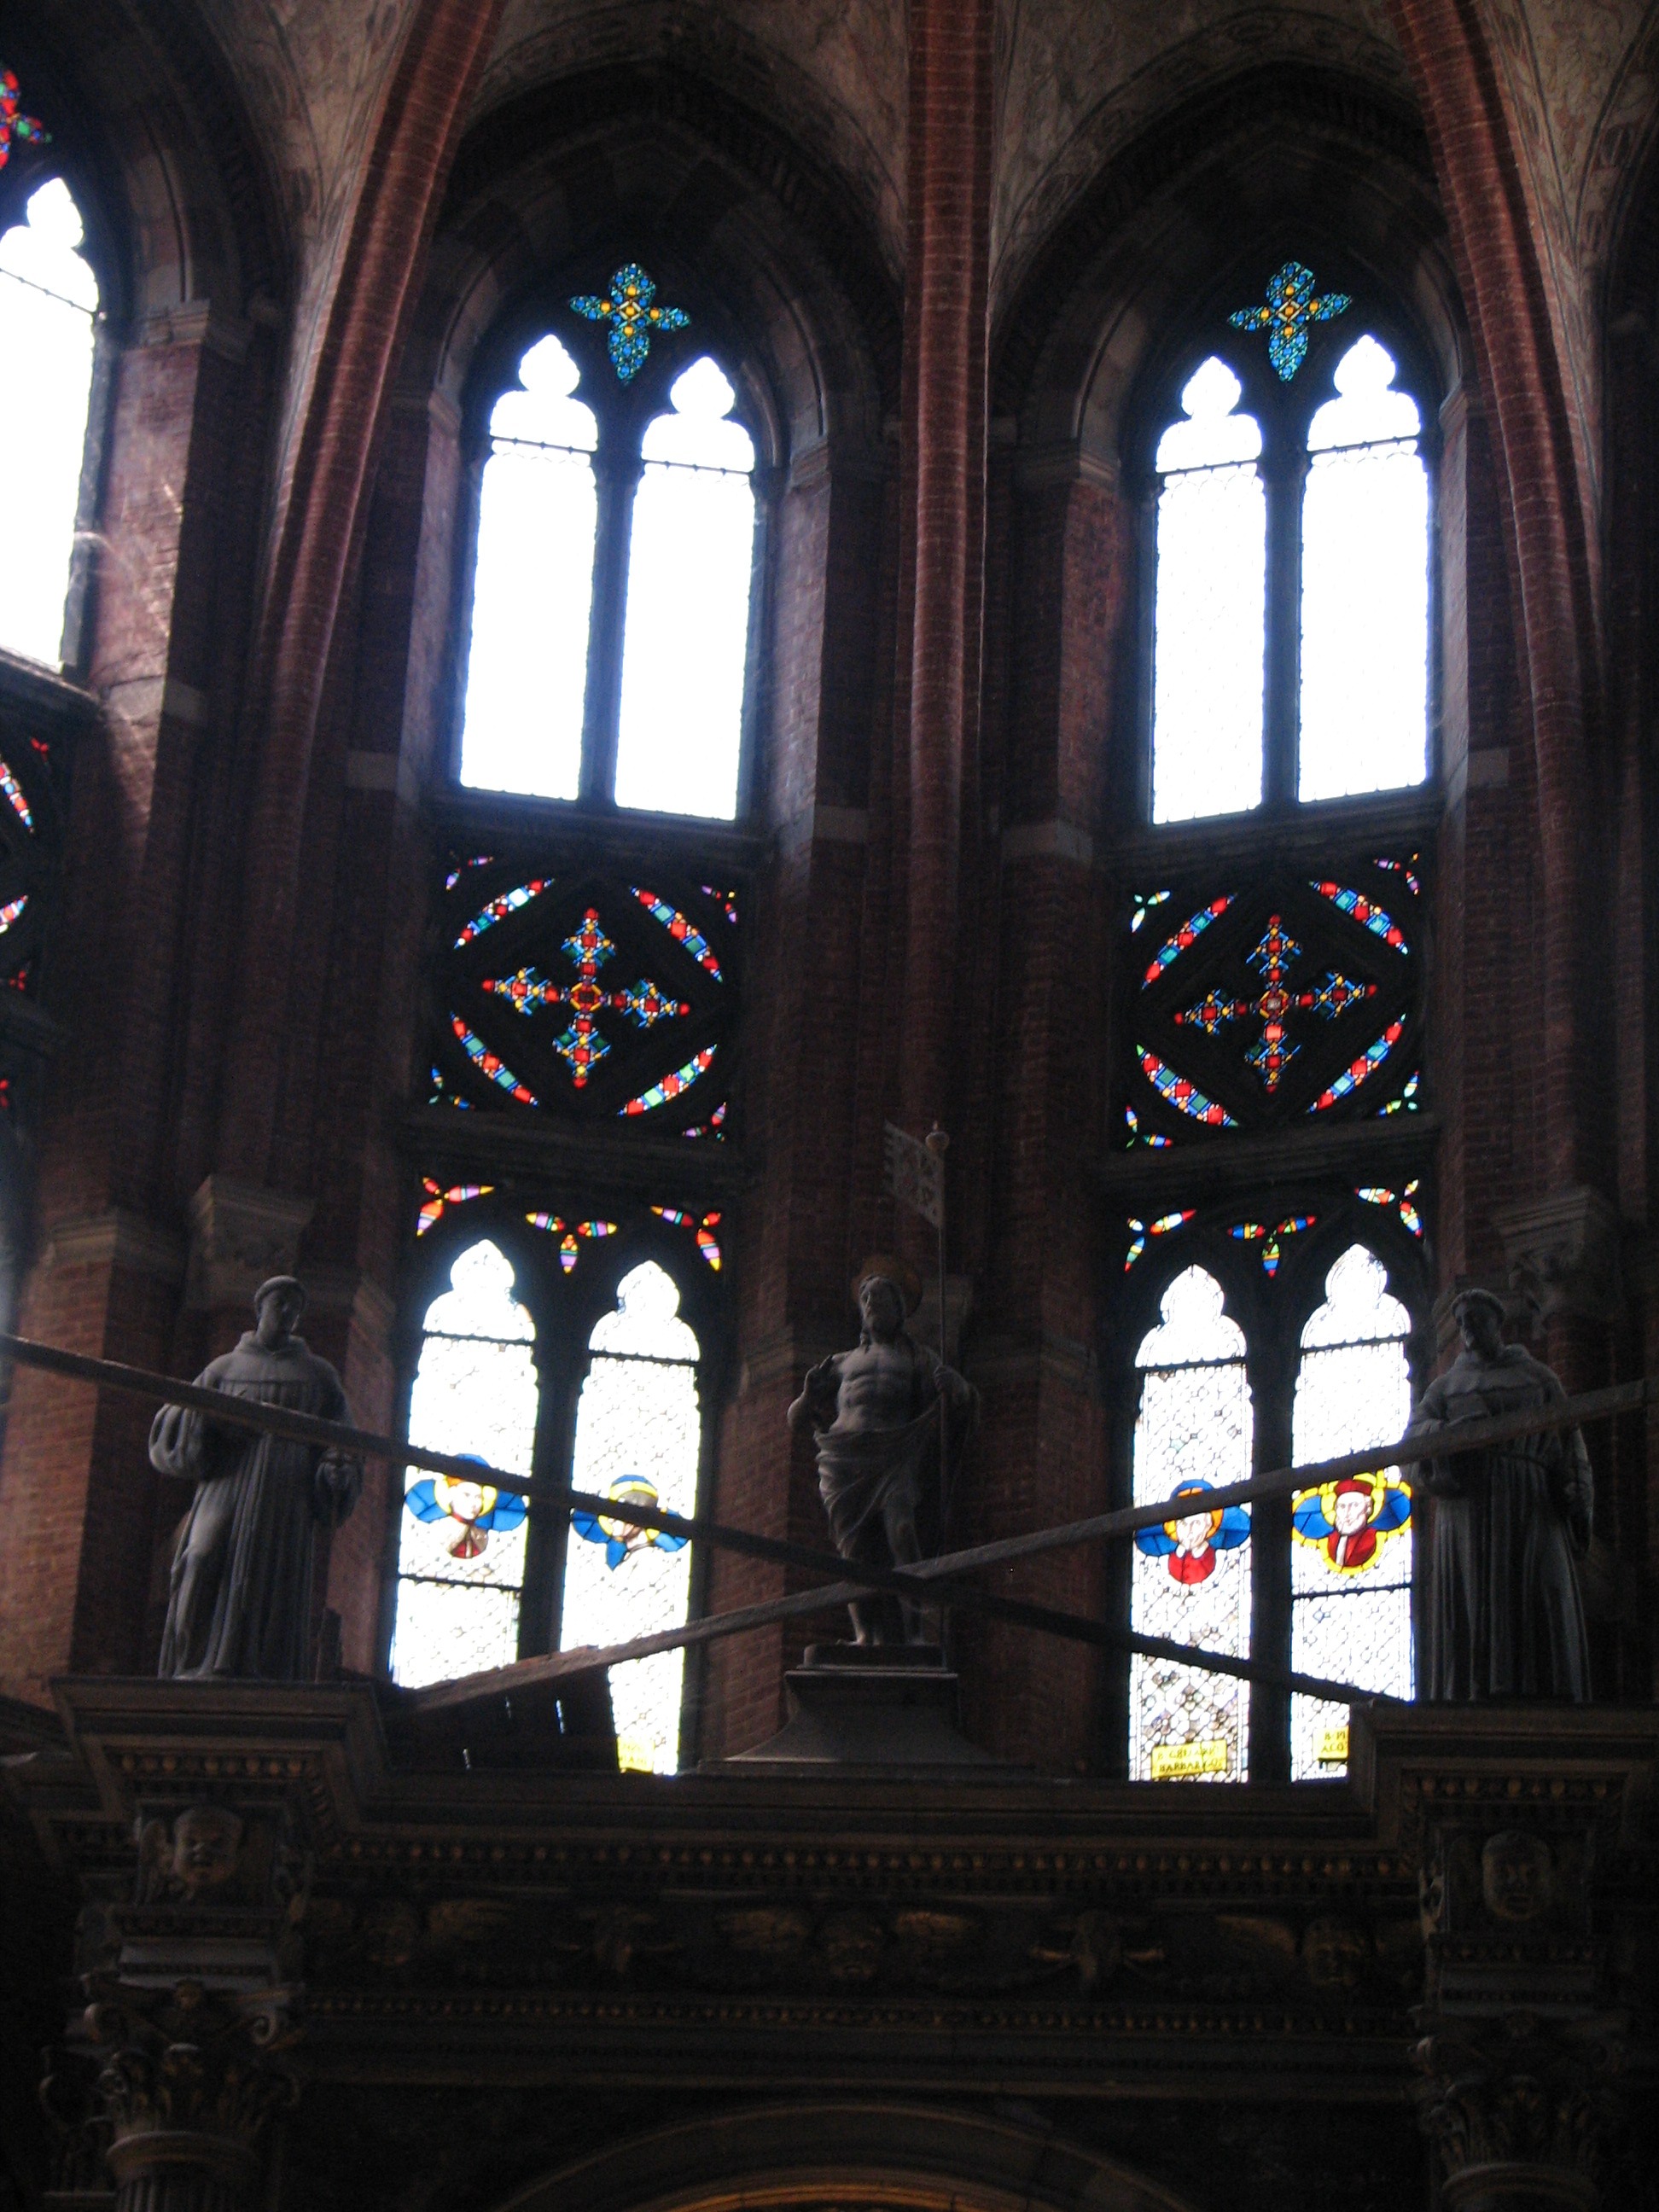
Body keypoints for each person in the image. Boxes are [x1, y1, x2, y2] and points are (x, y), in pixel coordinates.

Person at [153, 1276, 363, 1680]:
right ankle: (191, 1665)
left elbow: (343, 1441)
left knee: (273, 1579)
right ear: (260, 1307)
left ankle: (265, 1672)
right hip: (228, 1482)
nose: (287, 1314)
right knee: (200, 1556)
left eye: (295, 1309)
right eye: (280, 1303)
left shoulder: (318, 1376)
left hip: (286, 1491)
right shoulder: (224, 1368)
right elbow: (176, 1428)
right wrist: (210, 1424)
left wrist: (337, 1471)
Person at [1402, 1287, 1592, 1701]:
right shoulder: (1444, 1388)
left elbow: (1569, 1438)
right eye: (1463, 1322)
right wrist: (1450, 1436)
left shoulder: (1538, 1377)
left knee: (1537, 1601)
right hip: (1467, 1510)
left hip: (1529, 1502)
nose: (1469, 1328)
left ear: (1497, 1323)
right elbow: (1411, 1447)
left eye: (1477, 1319)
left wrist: (1578, 1494)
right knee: (1471, 1614)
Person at [788, 1256, 975, 1644]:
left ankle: (914, 1632)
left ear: (899, 1311)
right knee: (854, 1554)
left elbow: (960, 1401)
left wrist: (956, 1387)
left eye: (881, 1299)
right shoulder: (840, 1363)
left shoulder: (918, 1358)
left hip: (896, 1456)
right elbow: (795, 1418)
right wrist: (808, 1396)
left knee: (903, 1532)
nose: (873, 1305)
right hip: (845, 1462)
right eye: (866, 1299)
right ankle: (864, 1636)